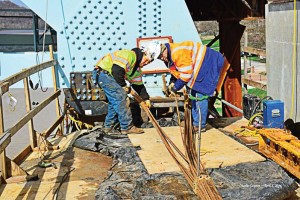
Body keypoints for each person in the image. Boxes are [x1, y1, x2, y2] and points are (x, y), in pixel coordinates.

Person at [147, 40, 226, 132]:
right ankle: (196, 122)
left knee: (200, 94)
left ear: (163, 49)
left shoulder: (177, 53)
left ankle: (199, 125)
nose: (161, 59)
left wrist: (175, 88)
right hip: (203, 63)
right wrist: (172, 82)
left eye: (160, 56)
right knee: (194, 93)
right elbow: (175, 70)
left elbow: (186, 75)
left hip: (209, 62)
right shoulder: (169, 55)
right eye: (159, 58)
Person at [93, 48, 152, 134]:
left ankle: (108, 126)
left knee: (115, 101)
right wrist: (124, 86)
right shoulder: (130, 55)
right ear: (143, 54)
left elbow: (139, 86)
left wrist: (146, 98)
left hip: (105, 76)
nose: (146, 63)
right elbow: (116, 70)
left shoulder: (136, 70)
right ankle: (127, 127)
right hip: (104, 74)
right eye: (146, 60)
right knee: (122, 98)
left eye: (149, 63)